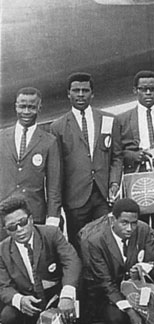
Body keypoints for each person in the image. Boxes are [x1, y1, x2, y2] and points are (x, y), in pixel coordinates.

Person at [85, 198, 154, 324]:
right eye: (124, 223)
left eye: (134, 223)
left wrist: (143, 267)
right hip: (112, 293)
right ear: (113, 220)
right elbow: (105, 283)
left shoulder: (144, 229)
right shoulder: (96, 241)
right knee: (117, 320)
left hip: (139, 286)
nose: (129, 228)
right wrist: (130, 311)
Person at [50, 73, 121, 252]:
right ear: (68, 94)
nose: (80, 94)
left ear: (92, 94)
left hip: (102, 195)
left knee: (105, 241)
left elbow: (117, 156)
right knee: (79, 244)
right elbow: (56, 169)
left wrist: (114, 182)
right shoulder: (58, 127)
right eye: (76, 90)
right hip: (75, 198)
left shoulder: (108, 120)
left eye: (85, 90)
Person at [0, 196, 81, 324]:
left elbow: (72, 261)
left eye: (22, 223)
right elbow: (3, 286)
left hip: (56, 295)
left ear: (31, 219)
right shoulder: (2, 250)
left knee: (78, 292)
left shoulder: (51, 233)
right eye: (12, 227)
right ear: (5, 230)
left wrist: (67, 295)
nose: (19, 230)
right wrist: (19, 300)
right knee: (8, 316)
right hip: (29, 300)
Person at [114, 70, 154, 224]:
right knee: (139, 224)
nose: (148, 93)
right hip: (139, 179)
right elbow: (116, 153)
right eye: (143, 89)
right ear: (135, 90)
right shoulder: (123, 119)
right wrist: (133, 156)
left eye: (153, 89)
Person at [0, 87, 61, 239]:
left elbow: (54, 185)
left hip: (34, 215)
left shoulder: (49, 142)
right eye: (22, 106)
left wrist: (53, 219)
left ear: (39, 108)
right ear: (16, 106)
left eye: (32, 107)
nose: (26, 111)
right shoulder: (2, 137)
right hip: (4, 215)